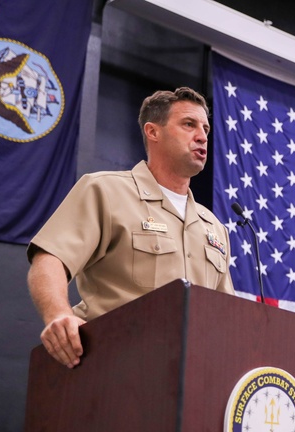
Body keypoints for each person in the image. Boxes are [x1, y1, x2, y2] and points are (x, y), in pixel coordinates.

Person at [27, 88, 233, 368]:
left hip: (194, 373)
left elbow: (227, 314)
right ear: (153, 132)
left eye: (205, 128)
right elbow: (50, 259)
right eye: (189, 124)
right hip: (113, 365)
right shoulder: (105, 190)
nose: (202, 136)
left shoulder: (214, 227)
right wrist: (58, 315)